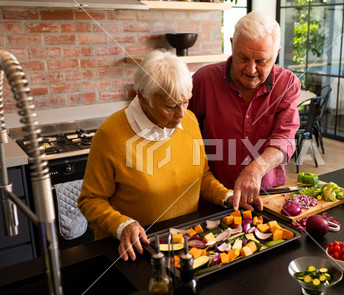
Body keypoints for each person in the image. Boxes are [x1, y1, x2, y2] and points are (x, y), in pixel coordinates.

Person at [78, 50, 233, 261]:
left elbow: (201, 177)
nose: (181, 114)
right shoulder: (110, 135)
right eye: (171, 106)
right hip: (135, 251)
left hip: (187, 244)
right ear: (142, 96)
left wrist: (227, 196)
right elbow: (90, 200)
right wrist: (123, 225)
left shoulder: (189, 121)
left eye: (186, 101)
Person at [189, 12, 301, 211]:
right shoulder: (202, 80)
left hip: (266, 198)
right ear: (232, 44)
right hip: (213, 198)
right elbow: (184, 134)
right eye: (243, 58)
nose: (251, 69)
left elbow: (284, 138)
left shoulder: (288, 83)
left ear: (277, 53)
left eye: (261, 61)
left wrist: (255, 170)